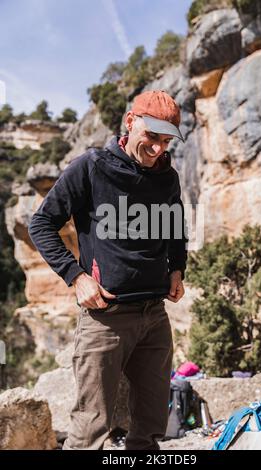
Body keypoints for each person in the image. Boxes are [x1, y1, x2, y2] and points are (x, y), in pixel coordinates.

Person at [28, 89, 188, 450]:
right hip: (105, 318)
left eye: (166, 141)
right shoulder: (91, 166)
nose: (159, 149)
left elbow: (176, 228)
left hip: (155, 317)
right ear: (131, 122)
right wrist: (76, 276)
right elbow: (41, 224)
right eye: (152, 137)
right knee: (90, 432)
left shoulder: (168, 177)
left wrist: (177, 268)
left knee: (149, 430)